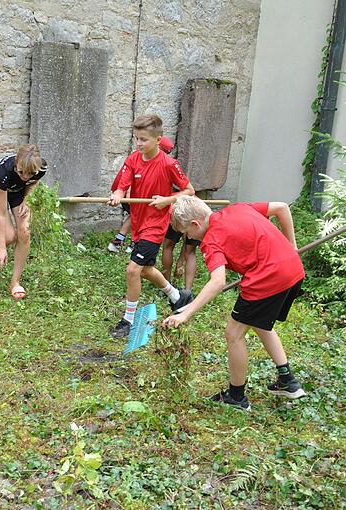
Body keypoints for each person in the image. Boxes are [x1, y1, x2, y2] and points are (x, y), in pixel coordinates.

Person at [162, 196, 307, 411]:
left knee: (233, 333)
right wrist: (291, 246)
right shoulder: (238, 208)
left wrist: (185, 314)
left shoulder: (211, 241)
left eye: (186, 233)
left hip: (268, 279)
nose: (188, 237)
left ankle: (236, 397)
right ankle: (288, 380)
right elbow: (281, 208)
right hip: (293, 271)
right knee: (260, 323)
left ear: (196, 224)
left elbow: (218, 281)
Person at [108, 115, 195, 338]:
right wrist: (117, 195)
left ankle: (127, 320)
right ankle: (177, 296)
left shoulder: (169, 163)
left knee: (132, 270)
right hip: (138, 223)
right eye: (136, 138)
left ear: (158, 139)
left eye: (144, 139)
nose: (139, 144)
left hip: (155, 225)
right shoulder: (132, 159)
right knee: (145, 270)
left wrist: (166, 200)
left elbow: (189, 191)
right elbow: (122, 186)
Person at [0, 144, 47, 299]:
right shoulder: (4, 172)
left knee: (24, 232)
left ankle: (15, 282)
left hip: (18, 192)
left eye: (30, 173)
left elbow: (33, 182)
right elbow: (3, 213)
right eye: (21, 172)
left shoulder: (40, 168)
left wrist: (26, 199)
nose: (25, 176)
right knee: (9, 235)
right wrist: (3, 248)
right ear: (17, 163)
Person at [107, 136, 175, 254]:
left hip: (130, 195)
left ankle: (120, 242)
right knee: (138, 216)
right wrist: (128, 194)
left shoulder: (152, 159)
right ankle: (131, 243)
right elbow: (134, 180)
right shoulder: (140, 158)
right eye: (164, 152)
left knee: (136, 215)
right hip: (129, 196)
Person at [161, 224, 200, 292]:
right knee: (190, 252)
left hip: (179, 215)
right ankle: (188, 291)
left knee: (168, 246)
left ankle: (166, 285)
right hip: (197, 217)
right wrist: (180, 261)